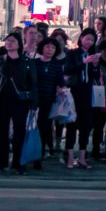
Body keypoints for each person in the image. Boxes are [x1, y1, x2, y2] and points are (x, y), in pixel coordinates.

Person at [0, 32, 37, 174]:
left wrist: (34, 102)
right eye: (7, 41)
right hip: (2, 101)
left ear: (19, 44)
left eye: (12, 41)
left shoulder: (27, 62)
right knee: (1, 133)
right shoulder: (0, 60)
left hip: (20, 101)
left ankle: (18, 162)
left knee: (19, 133)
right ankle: (0, 163)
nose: (9, 43)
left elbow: (33, 83)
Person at [63, 28, 100, 170]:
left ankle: (83, 157)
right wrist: (83, 62)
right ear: (81, 38)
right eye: (87, 38)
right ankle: (70, 156)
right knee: (72, 124)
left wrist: (95, 66)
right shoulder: (73, 53)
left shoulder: (93, 54)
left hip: (87, 93)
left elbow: (96, 76)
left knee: (86, 125)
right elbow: (68, 69)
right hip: (74, 92)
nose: (89, 41)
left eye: (92, 40)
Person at [32, 39, 65, 170]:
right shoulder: (34, 63)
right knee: (31, 128)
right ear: (42, 48)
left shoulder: (57, 65)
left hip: (48, 101)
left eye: (52, 47)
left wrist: (61, 89)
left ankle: (38, 157)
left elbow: (61, 82)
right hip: (33, 100)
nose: (50, 49)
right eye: (47, 46)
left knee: (44, 129)